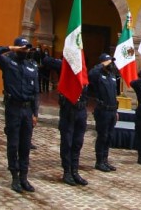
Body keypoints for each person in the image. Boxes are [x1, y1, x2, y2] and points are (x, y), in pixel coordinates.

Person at [0, 37, 40, 194]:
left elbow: (36, 92)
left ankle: (24, 176)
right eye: (22, 48)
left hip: (27, 110)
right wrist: (11, 48)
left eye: (27, 49)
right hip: (13, 109)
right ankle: (15, 176)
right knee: (13, 144)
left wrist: (35, 113)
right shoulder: (8, 62)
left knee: (25, 145)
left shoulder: (32, 66)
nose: (25, 51)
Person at [42, 55, 89, 186]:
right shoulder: (65, 67)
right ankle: (67, 172)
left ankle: (75, 171)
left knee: (78, 142)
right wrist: (65, 63)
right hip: (68, 110)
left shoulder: (83, 70)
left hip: (81, 111)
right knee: (67, 142)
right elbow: (46, 60)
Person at [88, 53, 119, 172]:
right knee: (102, 136)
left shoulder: (111, 75)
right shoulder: (97, 74)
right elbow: (91, 74)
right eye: (109, 61)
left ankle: (105, 160)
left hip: (112, 110)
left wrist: (116, 111)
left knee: (109, 136)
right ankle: (99, 161)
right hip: (102, 110)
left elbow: (114, 94)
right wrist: (101, 65)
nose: (111, 64)